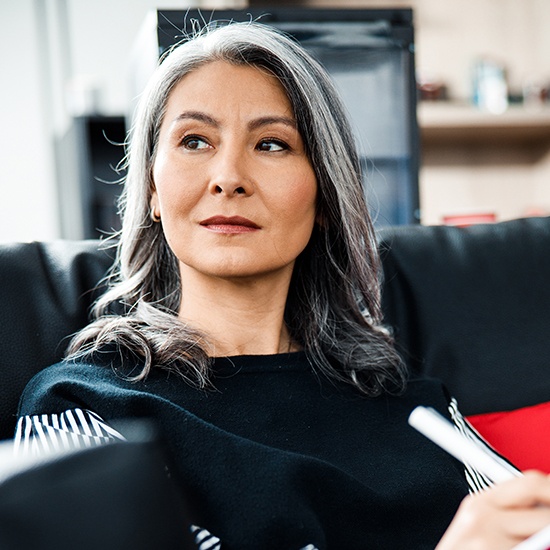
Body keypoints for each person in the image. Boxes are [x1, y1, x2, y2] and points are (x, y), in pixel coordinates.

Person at [15, 21, 550, 549]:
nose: (228, 176)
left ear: (324, 196)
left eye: (272, 144)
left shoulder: (412, 402)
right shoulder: (80, 410)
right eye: (194, 140)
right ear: (153, 190)